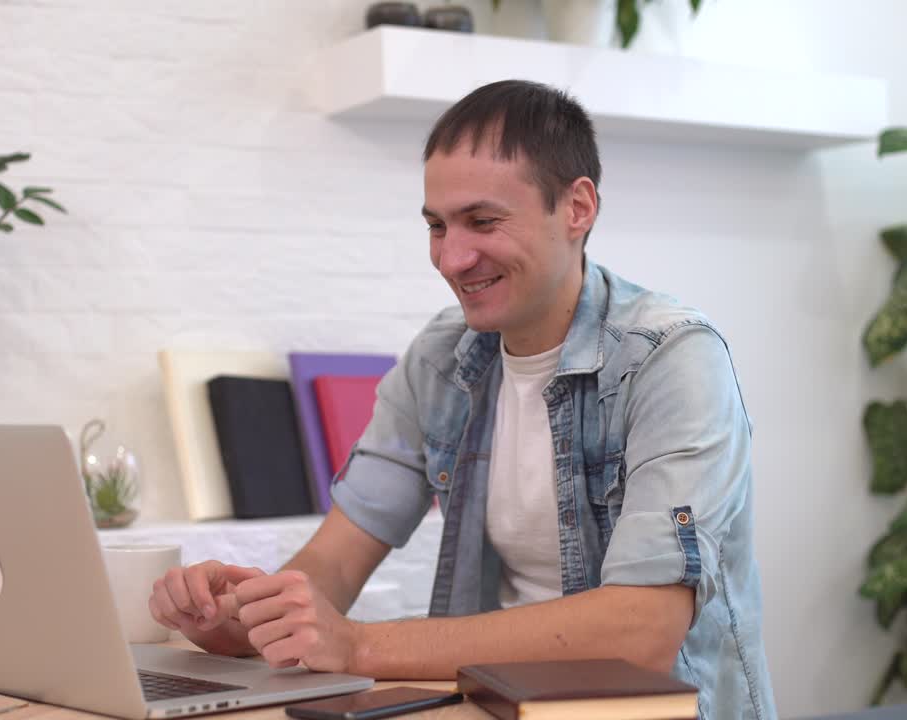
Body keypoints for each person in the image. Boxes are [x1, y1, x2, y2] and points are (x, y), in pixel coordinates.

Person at [149, 80, 776, 720]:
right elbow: (335, 560)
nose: (452, 258)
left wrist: (359, 644)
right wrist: (248, 619)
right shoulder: (441, 359)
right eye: (436, 226)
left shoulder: (671, 358)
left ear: (577, 208)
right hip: (488, 707)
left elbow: (639, 632)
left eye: (483, 221)